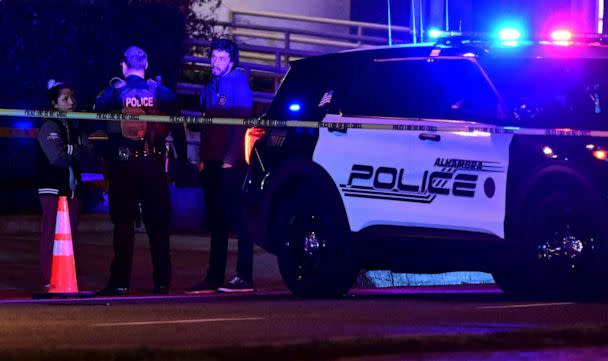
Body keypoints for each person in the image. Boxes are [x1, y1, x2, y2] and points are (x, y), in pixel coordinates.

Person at [95, 46, 187, 296]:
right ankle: (162, 283)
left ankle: (120, 283)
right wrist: (181, 163)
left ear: (123, 66)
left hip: (123, 167)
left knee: (123, 227)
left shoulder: (112, 94)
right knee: (158, 228)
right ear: (146, 64)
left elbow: (97, 126)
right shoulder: (163, 93)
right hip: (154, 167)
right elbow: (179, 131)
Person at [185, 38, 255, 294]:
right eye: (214, 56)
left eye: (221, 58)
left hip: (229, 164)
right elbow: (206, 127)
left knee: (237, 219)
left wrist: (230, 158)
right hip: (212, 161)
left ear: (231, 61)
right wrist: (203, 158)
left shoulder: (238, 86)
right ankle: (213, 277)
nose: (215, 62)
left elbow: (241, 126)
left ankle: (244, 276)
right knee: (217, 221)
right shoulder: (210, 86)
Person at [36, 80, 90, 289]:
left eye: (72, 97)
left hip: (72, 188)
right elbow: (56, 157)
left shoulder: (74, 126)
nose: (71, 101)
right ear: (54, 104)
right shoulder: (49, 125)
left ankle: (67, 275)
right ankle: (49, 278)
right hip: (52, 187)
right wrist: (75, 151)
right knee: (52, 233)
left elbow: (89, 151)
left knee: (70, 235)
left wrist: (71, 150)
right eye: (65, 98)